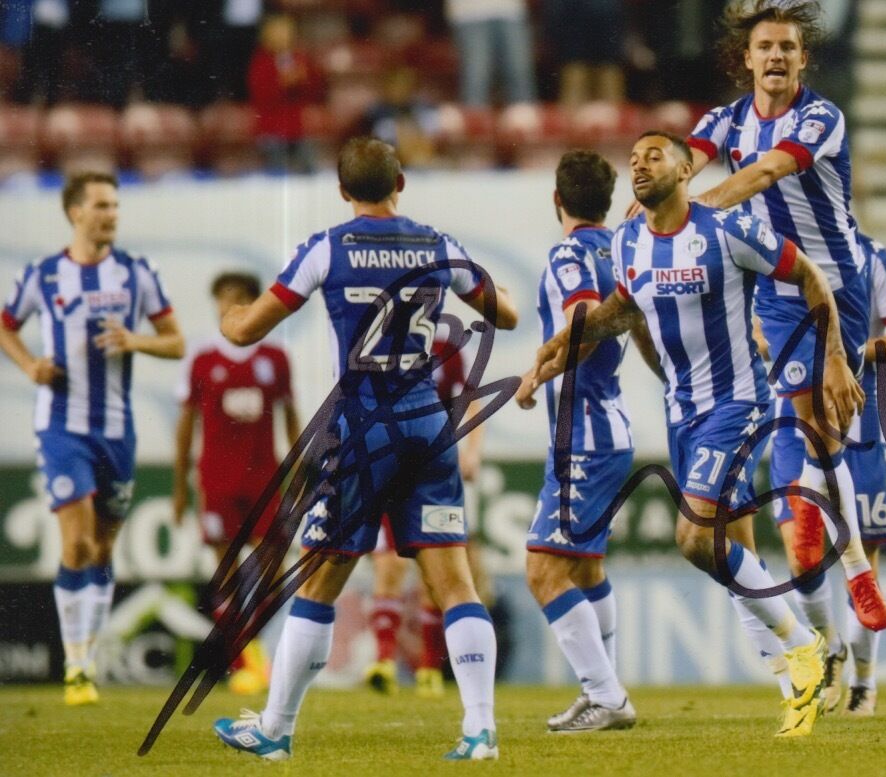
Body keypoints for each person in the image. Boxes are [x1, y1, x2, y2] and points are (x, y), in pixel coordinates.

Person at [531, 131, 865, 738]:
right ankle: (798, 686)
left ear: (686, 170)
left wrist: (836, 357)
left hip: (736, 404)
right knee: (731, 555)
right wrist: (552, 354)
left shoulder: (725, 230)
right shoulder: (627, 242)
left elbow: (811, 275)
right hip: (681, 412)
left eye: (653, 156)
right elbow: (619, 313)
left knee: (693, 537)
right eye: (632, 159)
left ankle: (803, 646)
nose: (639, 165)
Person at [211, 136, 517, 761]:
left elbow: (245, 330)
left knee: (320, 581)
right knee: (455, 584)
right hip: (427, 422)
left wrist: (228, 317)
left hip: (361, 426)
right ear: (400, 180)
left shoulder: (326, 248)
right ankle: (481, 729)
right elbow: (504, 315)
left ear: (342, 190)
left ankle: (275, 728)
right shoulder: (437, 245)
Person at [682, 0, 886, 632]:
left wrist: (694, 213)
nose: (776, 56)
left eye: (787, 48)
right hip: (777, 287)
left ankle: (845, 558)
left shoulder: (821, 116)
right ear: (745, 58)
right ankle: (853, 568)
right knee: (812, 424)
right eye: (765, 47)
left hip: (837, 284)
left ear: (803, 59)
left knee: (818, 424)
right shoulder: (726, 119)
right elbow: (685, 159)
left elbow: (768, 172)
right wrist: (655, 204)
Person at [0, 171, 185, 705]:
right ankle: (76, 665)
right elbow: (5, 324)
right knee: (77, 542)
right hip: (61, 426)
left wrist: (135, 340)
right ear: (75, 212)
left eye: (115, 205)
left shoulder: (136, 273)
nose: (111, 215)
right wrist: (30, 365)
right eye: (101, 205)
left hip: (116, 430)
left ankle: (89, 656)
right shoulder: (44, 276)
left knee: (103, 548)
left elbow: (175, 343)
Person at [516, 150, 663, 732]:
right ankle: (605, 688)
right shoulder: (622, 249)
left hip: (585, 436)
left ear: (557, 200)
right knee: (586, 569)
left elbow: (583, 321)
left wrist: (540, 372)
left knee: (542, 570)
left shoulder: (571, 255)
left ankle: (607, 695)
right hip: (609, 428)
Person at [769, 235, 886, 718]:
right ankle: (830, 646)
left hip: (860, 421)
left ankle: (865, 682)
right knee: (803, 558)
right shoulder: (775, 253)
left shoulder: (878, 259)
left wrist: (852, 351)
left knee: (865, 562)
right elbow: (756, 326)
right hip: (794, 420)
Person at [173, 271, 300, 696]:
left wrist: (299, 469)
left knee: (272, 567)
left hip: (265, 476)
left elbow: (290, 415)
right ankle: (250, 661)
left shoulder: (275, 359)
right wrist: (179, 487)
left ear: (251, 303)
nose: (228, 307)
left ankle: (260, 653)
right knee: (225, 573)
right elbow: (186, 424)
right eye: (221, 298)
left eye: (237, 298)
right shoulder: (203, 359)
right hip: (218, 478)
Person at [364, 337, 485, 699]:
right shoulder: (378, 342)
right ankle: (384, 660)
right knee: (389, 567)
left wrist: (472, 451)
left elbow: (472, 401)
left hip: (434, 473)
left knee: (438, 575)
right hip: (388, 469)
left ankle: (430, 666)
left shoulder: (448, 349)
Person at [247, 13, 324, 175]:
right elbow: (260, 95)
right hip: (271, 125)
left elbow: (314, 91)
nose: (282, 36)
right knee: (276, 169)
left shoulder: (299, 58)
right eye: (277, 32)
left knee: (309, 167)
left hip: (297, 125)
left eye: (286, 32)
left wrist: (303, 80)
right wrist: (282, 83)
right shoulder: (262, 61)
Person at [445, 0, 537, 107]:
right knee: (477, 75)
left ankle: (523, 119)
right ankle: (475, 118)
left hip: (511, 11)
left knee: (519, 71)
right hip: (469, 13)